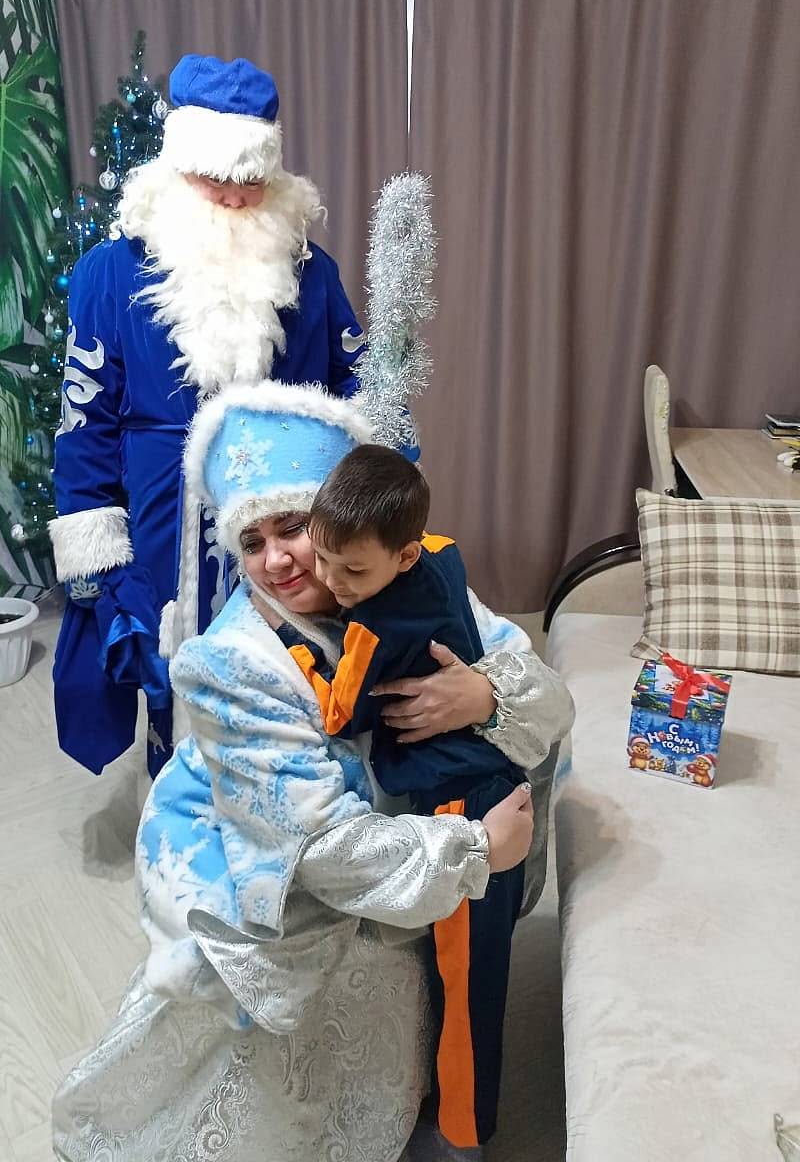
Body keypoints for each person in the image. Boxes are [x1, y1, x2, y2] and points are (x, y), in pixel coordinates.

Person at [52, 381, 575, 1162]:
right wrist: (473, 851)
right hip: (286, 866)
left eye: (293, 527)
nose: (276, 560)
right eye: (251, 540)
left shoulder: (413, 580)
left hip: (398, 843)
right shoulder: (231, 663)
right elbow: (318, 850)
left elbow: (553, 702)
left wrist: (483, 696)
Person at [48, 54, 367, 778]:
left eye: (247, 181)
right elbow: (84, 418)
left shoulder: (311, 271)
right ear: (178, 168)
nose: (230, 197)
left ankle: (299, 800)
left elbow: (359, 385)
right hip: (165, 508)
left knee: (299, 659)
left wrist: (379, 488)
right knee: (176, 654)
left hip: (290, 510)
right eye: (211, 178)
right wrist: (95, 543)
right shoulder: (111, 272)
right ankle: (185, 798)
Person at [284, 442, 535, 1148]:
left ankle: (463, 1134)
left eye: (352, 570)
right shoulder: (443, 554)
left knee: (464, 983)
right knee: (477, 970)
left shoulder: (372, 628)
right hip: (494, 772)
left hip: (461, 807)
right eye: (322, 557)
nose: (330, 580)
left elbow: (339, 713)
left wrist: (297, 650)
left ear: (401, 556)